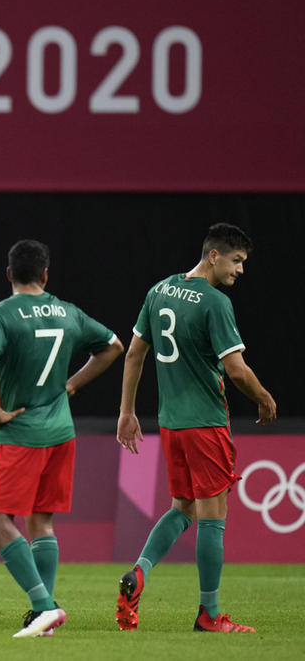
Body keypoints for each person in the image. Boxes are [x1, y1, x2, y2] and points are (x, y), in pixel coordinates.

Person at [115, 223, 276, 633]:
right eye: (236, 261)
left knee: (182, 507)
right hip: (206, 422)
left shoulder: (159, 290)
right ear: (213, 255)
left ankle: (139, 571)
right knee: (212, 516)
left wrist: (127, 411)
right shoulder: (215, 302)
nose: (240, 270)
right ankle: (209, 614)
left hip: (170, 423)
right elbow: (236, 370)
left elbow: (134, 353)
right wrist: (263, 397)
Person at [0, 240, 123, 638]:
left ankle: (44, 606)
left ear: (9, 274)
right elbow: (113, 347)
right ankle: (45, 619)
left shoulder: (0, 314)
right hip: (61, 432)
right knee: (41, 522)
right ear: (45, 274)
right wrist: (72, 385)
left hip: (20, 432)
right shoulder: (68, 311)